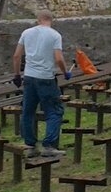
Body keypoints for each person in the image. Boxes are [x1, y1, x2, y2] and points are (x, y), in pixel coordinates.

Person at [12, 9, 71, 157]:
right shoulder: (55, 35)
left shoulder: (26, 33)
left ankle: (30, 145)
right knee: (54, 111)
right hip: (46, 78)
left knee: (28, 111)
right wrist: (65, 72)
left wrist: (17, 75)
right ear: (51, 20)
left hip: (29, 77)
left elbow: (16, 56)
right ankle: (49, 145)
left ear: (38, 20)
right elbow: (58, 58)